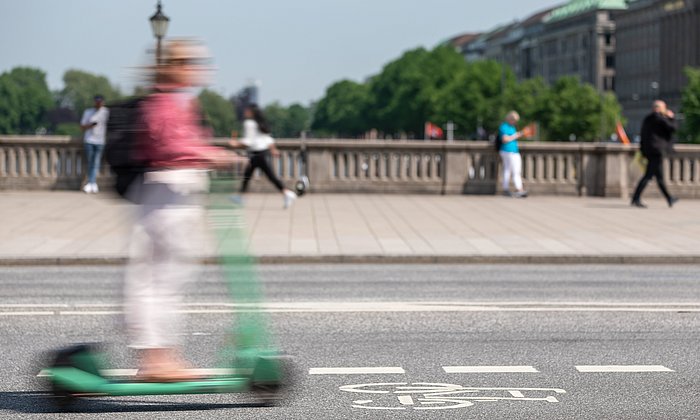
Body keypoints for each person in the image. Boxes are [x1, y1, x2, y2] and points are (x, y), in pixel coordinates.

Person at [123, 39, 245, 382]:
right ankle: (157, 359)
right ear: (178, 65)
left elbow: (171, 142)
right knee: (166, 277)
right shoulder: (166, 103)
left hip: (166, 194)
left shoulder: (166, 101)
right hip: (171, 195)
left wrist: (209, 151)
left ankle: (159, 355)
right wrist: (213, 155)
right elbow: (171, 145)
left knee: (157, 276)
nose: (202, 69)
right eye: (196, 62)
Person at [229, 105, 297, 208]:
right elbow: (268, 139)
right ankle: (286, 193)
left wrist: (235, 144)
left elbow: (248, 141)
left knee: (255, 176)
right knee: (259, 175)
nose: (245, 111)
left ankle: (286, 192)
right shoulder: (260, 123)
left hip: (257, 154)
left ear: (251, 112)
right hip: (262, 153)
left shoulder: (249, 123)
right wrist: (273, 150)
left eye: (246, 110)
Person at [631, 100, 679, 208]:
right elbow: (673, 128)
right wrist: (671, 117)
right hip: (657, 151)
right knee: (648, 176)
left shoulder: (647, 119)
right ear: (659, 108)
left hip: (649, 151)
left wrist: (643, 150)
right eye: (664, 107)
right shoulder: (659, 118)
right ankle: (636, 198)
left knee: (658, 177)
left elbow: (643, 135)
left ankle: (669, 198)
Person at [80, 95, 110, 193]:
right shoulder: (88, 112)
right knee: (90, 162)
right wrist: (90, 125)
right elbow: (82, 127)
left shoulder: (106, 112)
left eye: (100, 102)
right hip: (89, 140)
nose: (98, 104)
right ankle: (91, 183)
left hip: (100, 141)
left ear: (103, 102)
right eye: (97, 102)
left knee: (96, 162)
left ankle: (92, 183)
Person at [498, 111, 529, 198]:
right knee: (515, 170)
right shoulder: (504, 127)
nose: (515, 122)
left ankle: (506, 188)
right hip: (508, 151)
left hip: (513, 151)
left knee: (508, 170)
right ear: (510, 119)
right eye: (514, 120)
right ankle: (519, 189)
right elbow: (505, 139)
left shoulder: (511, 127)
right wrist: (517, 135)